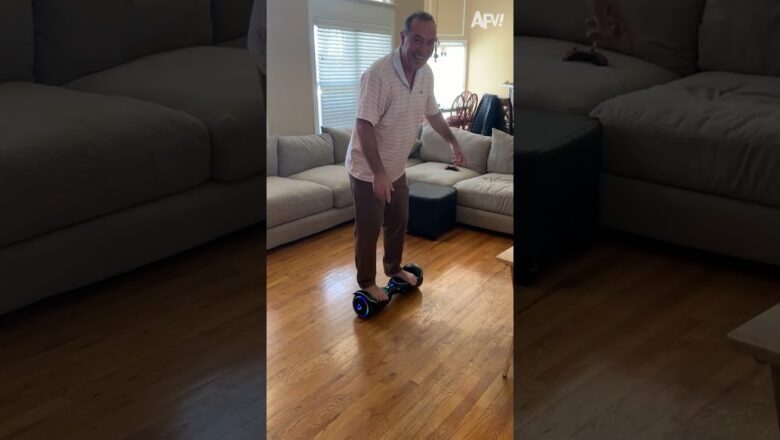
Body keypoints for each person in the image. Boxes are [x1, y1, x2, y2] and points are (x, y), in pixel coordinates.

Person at [345, 11, 465, 301]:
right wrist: (378, 173)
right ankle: (367, 282)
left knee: (399, 218)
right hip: (367, 168)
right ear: (403, 38)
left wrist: (453, 141)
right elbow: (364, 125)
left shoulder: (426, 73)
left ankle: (394, 268)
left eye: (430, 43)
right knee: (370, 226)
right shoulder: (378, 75)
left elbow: (432, 113)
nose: (423, 50)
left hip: (397, 166)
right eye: (417, 40)